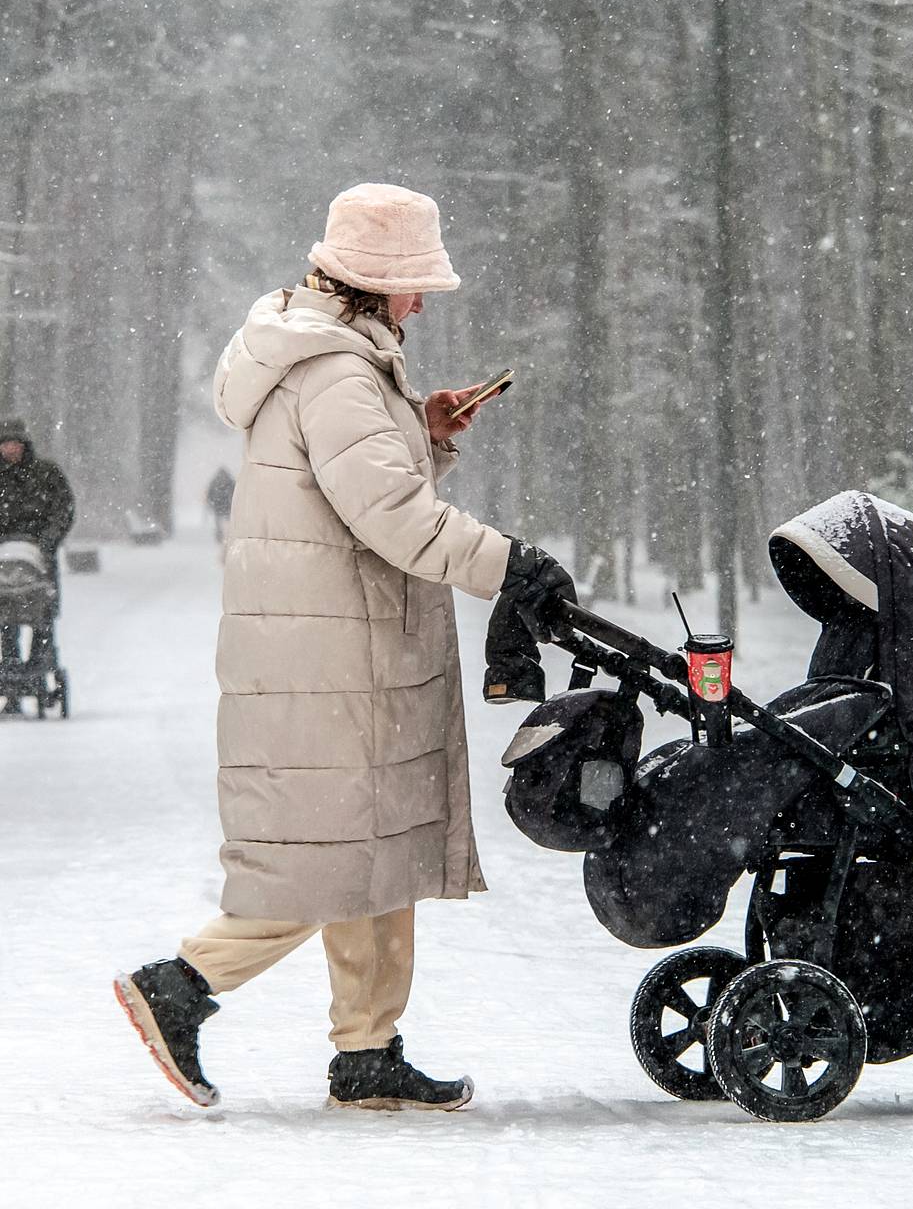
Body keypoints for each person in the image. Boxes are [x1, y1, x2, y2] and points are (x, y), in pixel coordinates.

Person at [114, 183, 574, 1111]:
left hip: (343, 644)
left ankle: (367, 1050)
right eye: (414, 285)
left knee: (377, 843)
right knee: (332, 854)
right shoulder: (336, 374)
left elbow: (354, 491)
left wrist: (424, 433)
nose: (423, 303)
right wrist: (509, 564)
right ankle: (181, 985)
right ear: (373, 282)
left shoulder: (337, 359)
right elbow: (393, 517)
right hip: (333, 656)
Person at [0, 419, 74, 681]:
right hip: (4, 553)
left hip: (40, 553)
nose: (11, 449)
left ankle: (40, 661)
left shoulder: (46, 473)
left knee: (42, 611)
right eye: (6, 444)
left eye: (15, 444)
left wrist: (48, 540)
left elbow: (63, 509)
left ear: (24, 445)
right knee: (5, 613)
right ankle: (9, 662)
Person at [204, 466, 235, 548]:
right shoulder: (230, 482)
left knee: (219, 523)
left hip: (218, 506)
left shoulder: (214, 482)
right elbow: (235, 493)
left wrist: (210, 503)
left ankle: (220, 536)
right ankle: (228, 535)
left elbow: (209, 494)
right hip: (227, 506)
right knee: (228, 522)